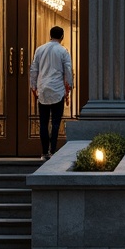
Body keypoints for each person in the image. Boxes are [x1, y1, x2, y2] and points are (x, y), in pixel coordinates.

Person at [28, 25, 73, 160]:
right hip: (57, 89)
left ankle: (43, 152)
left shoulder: (39, 50)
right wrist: (68, 88)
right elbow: (68, 71)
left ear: (50, 35)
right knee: (55, 122)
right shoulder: (63, 51)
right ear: (62, 37)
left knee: (43, 122)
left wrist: (33, 87)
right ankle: (53, 150)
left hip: (42, 89)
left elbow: (34, 69)